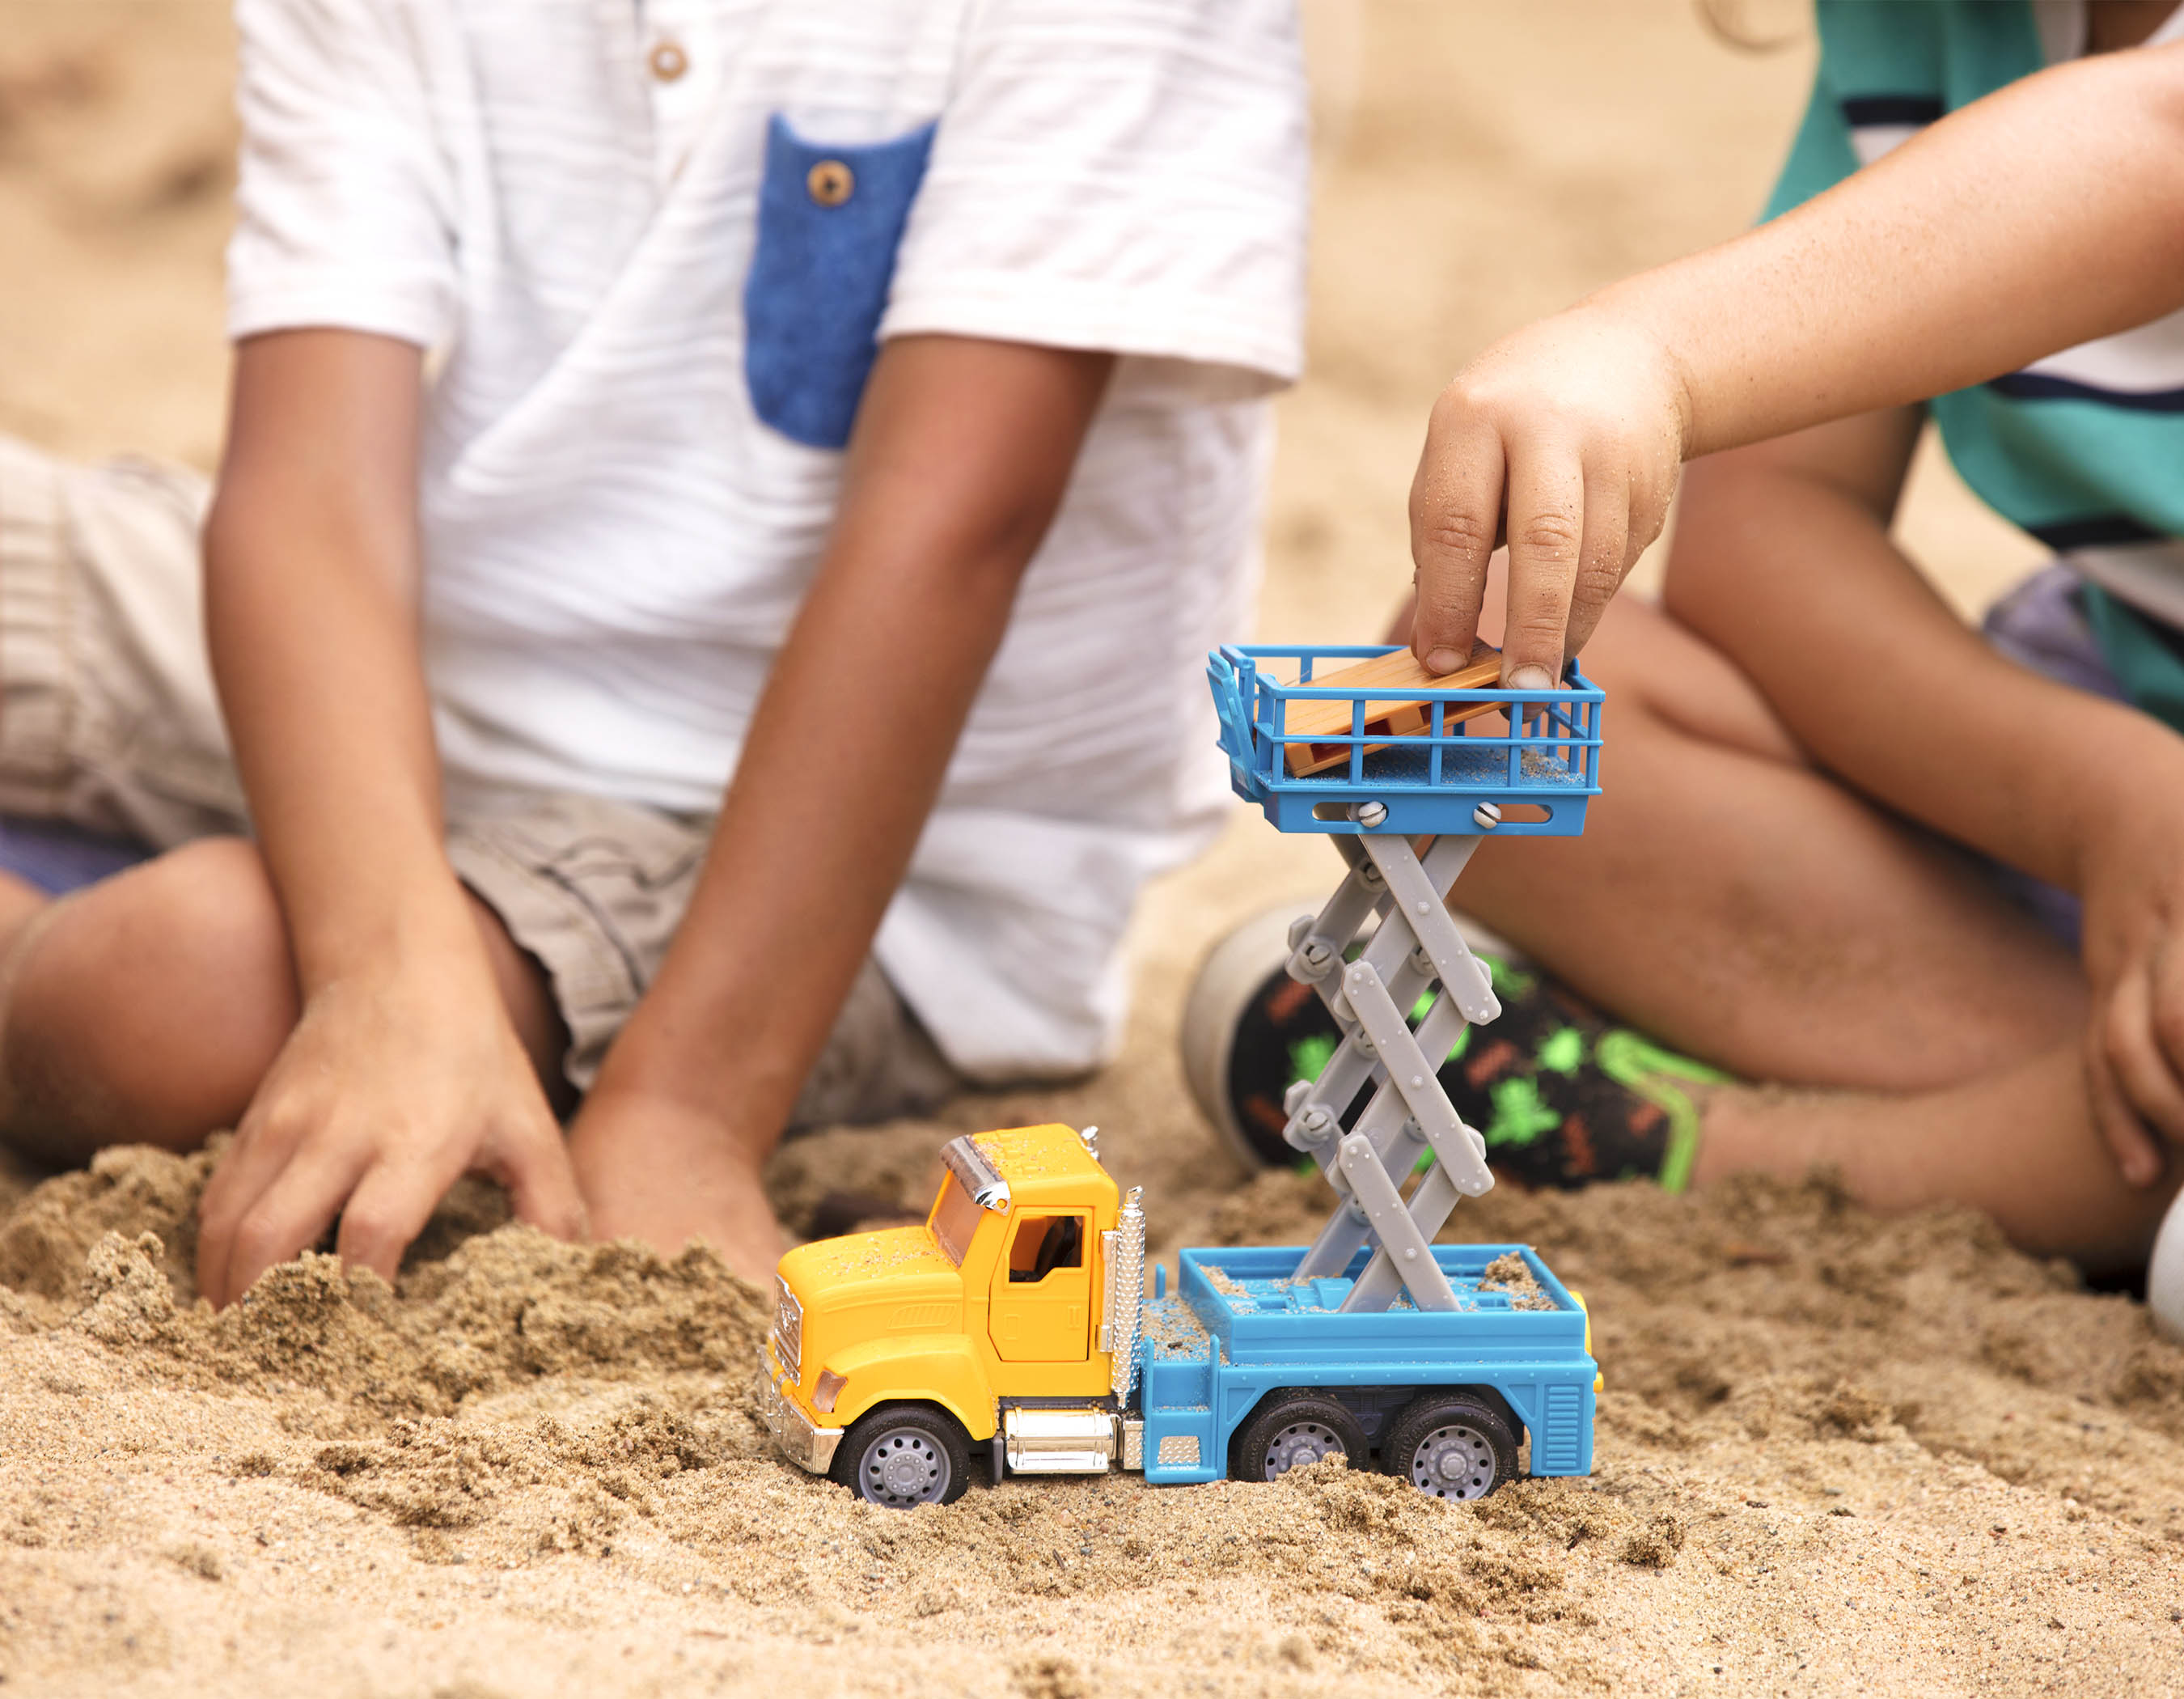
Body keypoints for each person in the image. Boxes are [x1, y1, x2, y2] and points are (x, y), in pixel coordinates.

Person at [0, 0, 1307, 1304]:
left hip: (830, 867)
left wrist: (686, 1109)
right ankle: (359, 912)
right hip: (418, 644)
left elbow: (954, 528)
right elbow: (310, 500)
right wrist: (386, 969)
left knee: (170, 987)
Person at [1188, 2, 2184, 1277]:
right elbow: (1773, 523)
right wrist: (2104, 800)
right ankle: (2095, 1124)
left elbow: (2152, 137)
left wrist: (1653, 348)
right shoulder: (1934, 24)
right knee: (1486, 708)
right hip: (2110, 757)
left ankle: (1741, 1146)